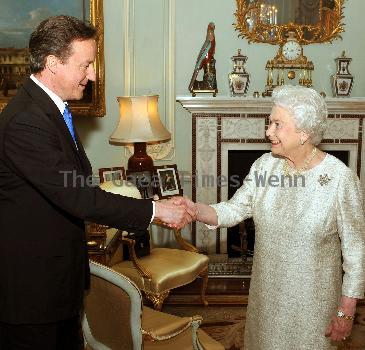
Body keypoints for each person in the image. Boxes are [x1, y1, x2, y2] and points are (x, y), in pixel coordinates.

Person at [0, 15, 195, 350]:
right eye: (85, 64)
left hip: (55, 283)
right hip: (31, 292)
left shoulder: (50, 110)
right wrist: (156, 210)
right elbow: (80, 198)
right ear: (52, 64)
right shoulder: (26, 122)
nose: (92, 75)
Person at [176, 85, 365, 349]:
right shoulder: (265, 166)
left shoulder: (340, 179)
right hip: (267, 297)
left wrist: (346, 310)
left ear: (304, 132)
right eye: (269, 123)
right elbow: (235, 208)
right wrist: (195, 209)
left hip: (313, 304)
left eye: (277, 124)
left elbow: (356, 251)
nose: (268, 132)